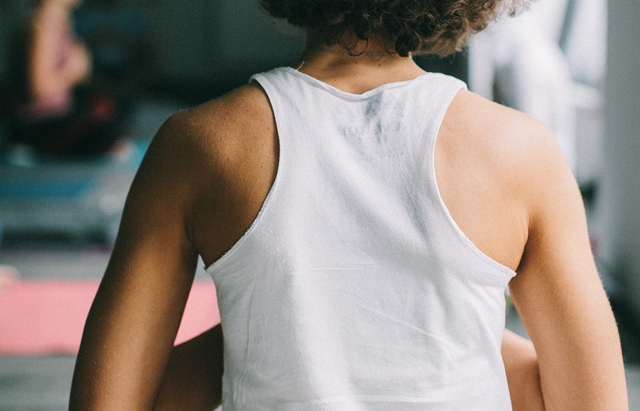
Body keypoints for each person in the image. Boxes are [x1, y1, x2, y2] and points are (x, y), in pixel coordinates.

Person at [70, 0, 628, 410]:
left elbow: (110, 401)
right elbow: (588, 401)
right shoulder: (520, 152)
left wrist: (279, 329)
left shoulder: (198, 146)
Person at [7, 0, 125, 156]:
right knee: (106, 132)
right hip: (35, 125)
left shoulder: (59, 24)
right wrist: (72, 71)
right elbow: (39, 88)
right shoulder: (42, 27)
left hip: (56, 116)